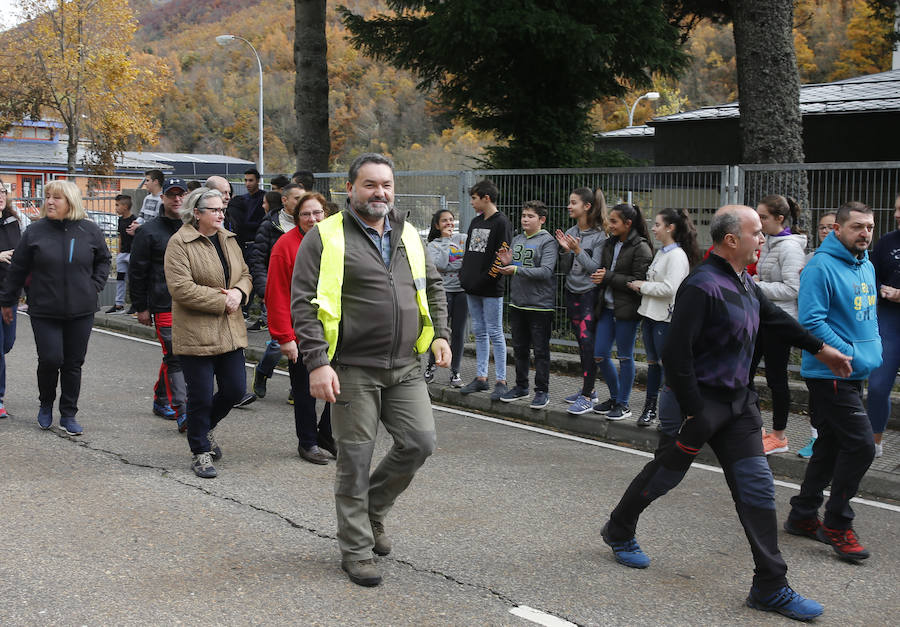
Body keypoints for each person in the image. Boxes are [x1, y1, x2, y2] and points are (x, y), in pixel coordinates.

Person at [600, 205, 851, 622]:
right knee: (666, 474)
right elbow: (675, 355)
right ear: (731, 240)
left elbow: (774, 320)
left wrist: (822, 350)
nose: (763, 239)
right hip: (697, 406)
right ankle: (619, 529)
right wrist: (696, 411)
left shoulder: (744, 281)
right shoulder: (702, 285)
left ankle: (770, 586)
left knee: (757, 490)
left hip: (738, 405)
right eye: (756, 233)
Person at [291, 153, 449, 587]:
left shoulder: (409, 234)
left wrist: (440, 334)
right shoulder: (325, 236)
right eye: (370, 185)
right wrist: (317, 363)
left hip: (405, 366)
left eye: (387, 185)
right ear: (350, 189)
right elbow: (303, 303)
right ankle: (357, 550)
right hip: (350, 368)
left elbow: (431, 286)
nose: (380, 192)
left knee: (420, 442)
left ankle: (373, 510)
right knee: (354, 461)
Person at [785, 201, 881, 562]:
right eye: (857, 227)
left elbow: (865, 317)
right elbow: (811, 322)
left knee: (830, 444)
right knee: (861, 446)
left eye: (869, 227)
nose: (865, 233)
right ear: (837, 229)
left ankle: (803, 514)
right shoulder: (820, 267)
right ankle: (838, 523)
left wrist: (870, 352)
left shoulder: (866, 264)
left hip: (855, 371)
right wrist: (849, 354)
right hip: (830, 372)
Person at [0, 180, 111, 434]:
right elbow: (18, 268)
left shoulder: (89, 230)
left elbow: (104, 259)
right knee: (51, 359)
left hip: (81, 310)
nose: (49, 201)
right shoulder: (35, 231)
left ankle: (69, 413)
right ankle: (46, 403)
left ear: (70, 201)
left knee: (73, 363)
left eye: (56, 198)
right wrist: (8, 301)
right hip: (44, 309)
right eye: (47, 197)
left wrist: (94, 285)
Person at [164, 187, 253, 479]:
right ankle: (200, 450)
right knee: (200, 397)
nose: (220, 214)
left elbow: (245, 274)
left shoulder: (228, 238)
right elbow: (180, 288)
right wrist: (222, 300)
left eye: (222, 209)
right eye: (214, 209)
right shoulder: (180, 243)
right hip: (196, 332)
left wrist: (239, 292)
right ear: (196, 213)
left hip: (230, 330)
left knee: (235, 390)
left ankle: (203, 427)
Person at [265, 191, 335, 463]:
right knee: (305, 391)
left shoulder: (335, 241)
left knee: (339, 387)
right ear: (297, 218)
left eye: (317, 213)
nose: (312, 219)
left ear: (326, 214)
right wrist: (285, 336)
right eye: (305, 214)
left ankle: (327, 433)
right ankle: (307, 442)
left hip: (334, 330)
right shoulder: (285, 245)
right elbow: (277, 293)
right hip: (301, 330)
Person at [628, 208, 699, 427]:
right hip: (649, 315)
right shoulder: (662, 252)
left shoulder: (677, 256)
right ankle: (650, 409)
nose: (653, 228)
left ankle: (672, 414)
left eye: (658, 225)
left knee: (667, 367)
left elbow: (671, 289)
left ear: (671, 228)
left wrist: (642, 286)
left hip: (665, 319)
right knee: (653, 365)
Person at [129, 177, 190, 428]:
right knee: (175, 355)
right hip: (163, 303)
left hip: (192, 304)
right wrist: (141, 307)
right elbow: (137, 271)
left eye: (181, 194)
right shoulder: (148, 231)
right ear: (162, 198)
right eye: (171, 195)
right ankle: (183, 409)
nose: (176, 199)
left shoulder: (195, 228)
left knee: (180, 355)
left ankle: (161, 398)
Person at [751, 195, 807, 455]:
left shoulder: (790, 247)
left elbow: (792, 289)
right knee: (745, 372)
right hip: (763, 316)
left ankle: (780, 436)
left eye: (763, 217)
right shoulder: (771, 243)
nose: (759, 221)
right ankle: (755, 426)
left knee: (776, 378)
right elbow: (765, 277)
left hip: (780, 321)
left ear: (779, 219)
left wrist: (755, 285)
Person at [590, 203, 653, 420]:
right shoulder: (610, 243)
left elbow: (639, 281)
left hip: (627, 310)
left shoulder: (641, 247)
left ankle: (624, 404)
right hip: (606, 307)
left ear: (628, 224)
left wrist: (606, 277)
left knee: (625, 357)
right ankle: (615, 398)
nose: (610, 225)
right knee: (600, 354)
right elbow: (603, 271)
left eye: (614, 221)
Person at [497, 200, 558, 408]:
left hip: (540, 306)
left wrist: (515, 269)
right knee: (520, 349)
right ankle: (521, 386)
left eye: (530, 216)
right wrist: (507, 264)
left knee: (540, 351)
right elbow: (514, 266)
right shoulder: (517, 239)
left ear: (541, 220)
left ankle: (542, 391)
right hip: (518, 304)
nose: (525, 219)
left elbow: (546, 271)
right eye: (523, 215)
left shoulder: (548, 242)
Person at [555, 187, 608, 415]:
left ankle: (587, 396)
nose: (569, 206)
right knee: (580, 342)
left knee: (588, 344)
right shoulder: (570, 230)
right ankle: (589, 389)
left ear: (587, 206)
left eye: (573, 202)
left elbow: (595, 269)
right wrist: (566, 252)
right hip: (571, 292)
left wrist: (577, 250)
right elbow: (564, 269)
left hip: (589, 294)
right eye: (569, 201)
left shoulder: (599, 236)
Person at [458, 179, 512, 400]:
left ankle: (501, 379)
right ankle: (481, 378)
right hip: (472, 287)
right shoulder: (475, 222)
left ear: (486, 198)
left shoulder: (502, 223)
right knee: (479, 331)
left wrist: (484, 280)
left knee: (495, 332)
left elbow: (501, 257)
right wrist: (464, 275)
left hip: (490, 289)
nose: (471, 202)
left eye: (474, 198)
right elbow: (470, 253)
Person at [249, 184, 303, 397]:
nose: (300, 202)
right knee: (278, 343)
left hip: (302, 295)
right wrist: (264, 291)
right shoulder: (270, 225)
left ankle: (296, 388)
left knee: (303, 341)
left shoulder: (310, 225)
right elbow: (258, 260)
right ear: (285, 200)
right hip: (276, 293)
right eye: (296, 198)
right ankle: (262, 371)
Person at [796, 210, 838, 458]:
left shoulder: (855, 260)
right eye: (822, 227)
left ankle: (834, 440)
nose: (825, 231)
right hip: (815, 336)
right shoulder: (811, 258)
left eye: (831, 227)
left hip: (838, 336)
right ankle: (815, 438)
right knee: (816, 391)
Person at [866, 194, 900, 459]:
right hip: (888, 320)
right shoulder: (887, 241)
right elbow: (870, 277)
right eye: (896, 209)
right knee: (877, 386)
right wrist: (880, 291)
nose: (897, 215)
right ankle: (874, 443)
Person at [424, 208, 467, 387]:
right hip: (443, 292)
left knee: (459, 333)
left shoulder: (462, 239)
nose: (449, 223)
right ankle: (431, 366)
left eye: (451, 220)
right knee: (439, 331)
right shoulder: (433, 245)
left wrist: (452, 264)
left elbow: (467, 262)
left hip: (462, 292)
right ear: (437, 225)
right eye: (444, 221)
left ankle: (455, 372)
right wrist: (445, 242)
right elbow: (440, 265)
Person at [0, 181, 23, 418]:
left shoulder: (13, 222)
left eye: (2, 191)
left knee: (7, 343)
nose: (0, 195)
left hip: (9, 295)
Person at [106, 194, 136, 314]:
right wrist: (119, 253)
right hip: (122, 254)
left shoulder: (134, 220)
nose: (116, 208)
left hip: (132, 254)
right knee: (120, 279)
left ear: (125, 206)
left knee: (134, 280)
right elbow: (120, 237)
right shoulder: (120, 220)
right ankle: (119, 304)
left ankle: (135, 305)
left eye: (117, 205)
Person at [127, 169, 164, 236]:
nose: (145, 183)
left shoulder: (162, 200)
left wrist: (140, 226)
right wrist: (136, 222)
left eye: (147, 180)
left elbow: (157, 221)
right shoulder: (147, 198)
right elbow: (142, 215)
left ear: (155, 181)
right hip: (145, 233)